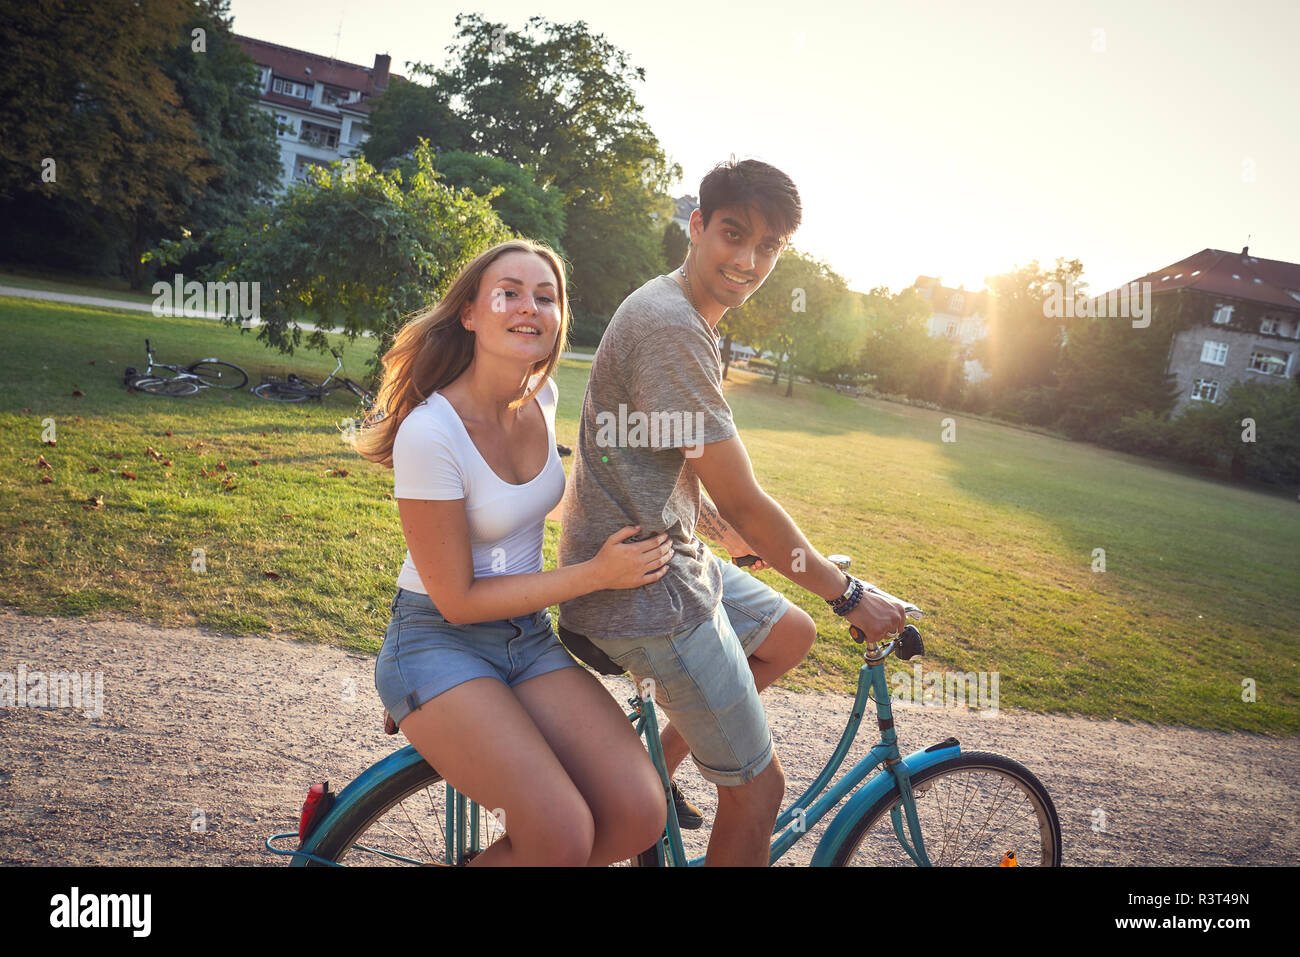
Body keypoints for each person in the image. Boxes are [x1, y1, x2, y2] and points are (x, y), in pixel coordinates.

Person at [557, 159, 909, 866]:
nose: (748, 260)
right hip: (645, 592)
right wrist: (851, 595)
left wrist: (743, 542)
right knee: (760, 790)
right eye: (732, 233)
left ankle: (651, 768)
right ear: (697, 226)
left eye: (769, 245)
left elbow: (691, 466)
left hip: (666, 554)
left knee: (788, 632)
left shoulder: (685, 314)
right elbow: (743, 492)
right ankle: (618, 802)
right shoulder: (672, 327)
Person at [355, 239, 669, 865]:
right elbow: (459, 599)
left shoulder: (541, 401)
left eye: (546, 297)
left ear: (559, 320)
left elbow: (536, 500)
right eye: (510, 293)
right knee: (561, 833)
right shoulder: (431, 432)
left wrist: (702, 521)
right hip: (437, 642)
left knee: (640, 814)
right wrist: (593, 575)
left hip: (526, 640)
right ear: (469, 312)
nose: (530, 307)